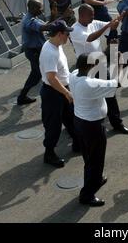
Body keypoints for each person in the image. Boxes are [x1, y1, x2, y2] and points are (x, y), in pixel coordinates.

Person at [69, 4, 128, 134]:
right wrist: (108, 26)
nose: (93, 17)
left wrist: (116, 21)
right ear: (81, 15)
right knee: (83, 97)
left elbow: (109, 25)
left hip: (99, 64)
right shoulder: (75, 29)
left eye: (93, 15)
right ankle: (76, 122)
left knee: (111, 93)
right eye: (90, 15)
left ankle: (117, 123)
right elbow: (90, 38)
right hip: (85, 68)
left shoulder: (94, 22)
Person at [70, 53, 122, 206]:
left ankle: (97, 179)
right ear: (90, 67)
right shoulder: (90, 84)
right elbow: (117, 82)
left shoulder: (74, 75)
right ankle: (87, 194)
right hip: (92, 126)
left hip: (79, 121)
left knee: (88, 156)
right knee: (96, 160)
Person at [39, 20, 78, 168]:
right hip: (53, 93)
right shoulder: (50, 52)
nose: (68, 36)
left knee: (71, 118)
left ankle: (77, 142)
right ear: (60, 34)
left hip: (62, 89)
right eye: (67, 33)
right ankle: (49, 153)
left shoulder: (57, 45)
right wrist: (67, 92)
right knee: (53, 125)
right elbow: (51, 78)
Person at [17, 0, 51, 105]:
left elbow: (45, 25)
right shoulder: (29, 21)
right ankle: (23, 97)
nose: (41, 10)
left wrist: (55, 16)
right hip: (34, 52)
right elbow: (44, 27)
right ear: (32, 8)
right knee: (38, 74)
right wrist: (62, 17)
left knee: (36, 73)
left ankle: (22, 97)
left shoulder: (33, 17)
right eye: (39, 8)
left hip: (35, 51)